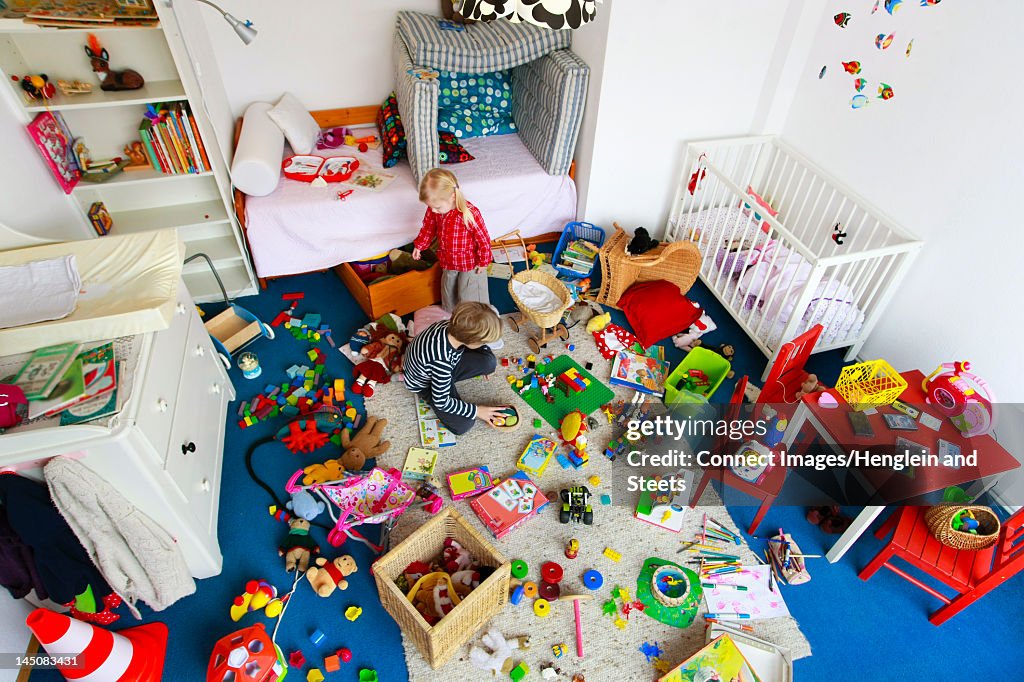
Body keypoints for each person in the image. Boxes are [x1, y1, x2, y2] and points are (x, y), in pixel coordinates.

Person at [403, 301, 509, 435]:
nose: (485, 345)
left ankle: (451, 378)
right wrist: (477, 410)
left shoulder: (453, 326)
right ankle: (449, 390)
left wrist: (482, 353)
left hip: (444, 365)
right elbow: (441, 402)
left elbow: (477, 347)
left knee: (488, 362)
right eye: (483, 342)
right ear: (471, 341)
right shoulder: (441, 360)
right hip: (426, 383)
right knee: (464, 424)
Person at [412, 168, 492, 312]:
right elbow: (428, 228)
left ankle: (471, 316)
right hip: (448, 260)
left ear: (452, 197)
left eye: (437, 207)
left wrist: (484, 261)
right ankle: (452, 313)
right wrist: (419, 245)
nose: (434, 211)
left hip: (469, 263)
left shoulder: (469, 213)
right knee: (449, 289)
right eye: (431, 207)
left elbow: (483, 239)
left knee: (469, 292)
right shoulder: (434, 210)